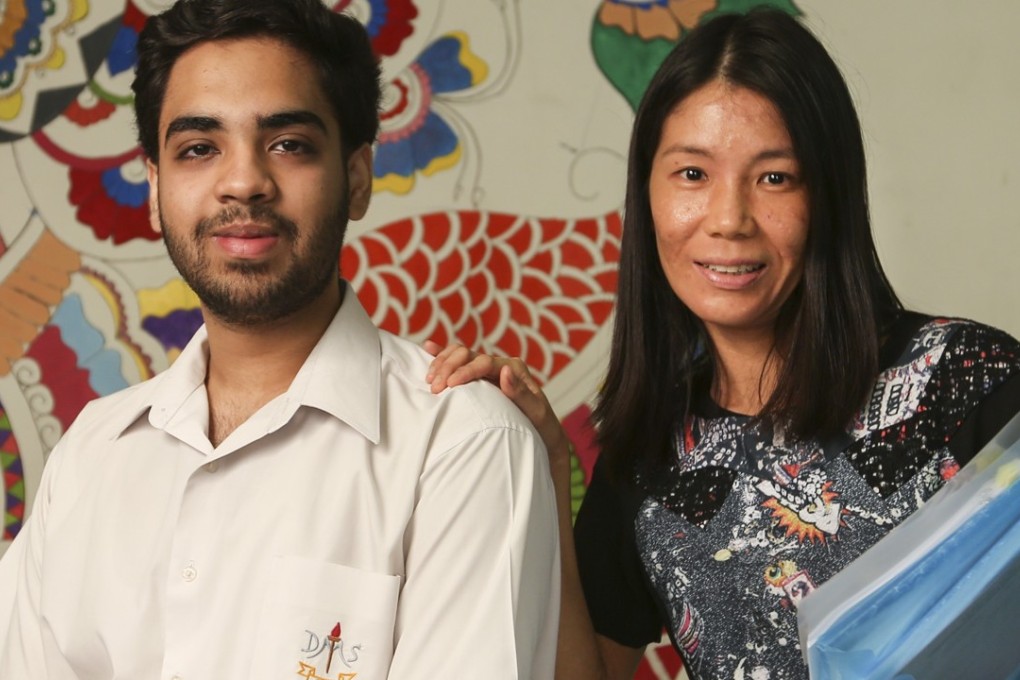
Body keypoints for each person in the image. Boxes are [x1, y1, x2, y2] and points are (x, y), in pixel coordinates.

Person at [425, 7, 1020, 680]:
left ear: (828, 194)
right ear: (646, 193)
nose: (729, 220)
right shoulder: (645, 458)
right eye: (691, 175)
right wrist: (553, 464)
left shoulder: (968, 380)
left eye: (774, 177)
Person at [0, 1, 560, 677]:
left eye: (289, 144)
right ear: (153, 187)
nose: (243, 182)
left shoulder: (464, 443)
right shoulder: (89, 456)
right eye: (199, 148)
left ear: (357, 177)